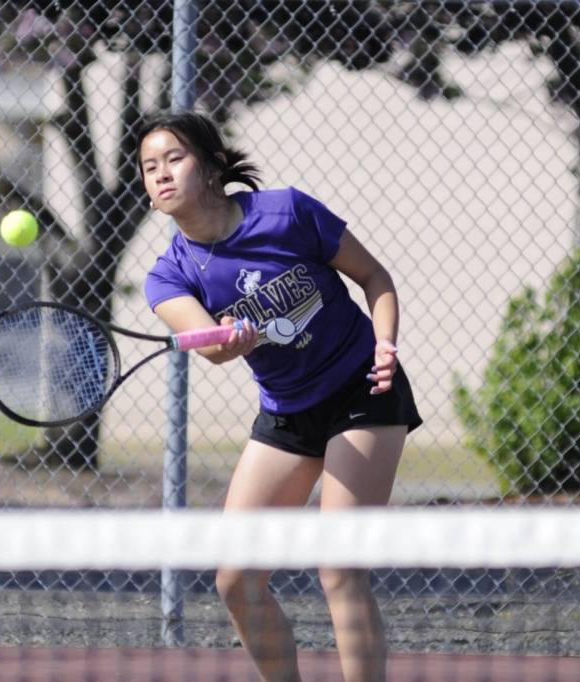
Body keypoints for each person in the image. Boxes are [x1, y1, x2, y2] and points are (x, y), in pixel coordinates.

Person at [137, 111, 422, 682]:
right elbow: (213, 348)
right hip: (287, 412)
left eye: (175, 158)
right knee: (235, 580)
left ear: (214, 166)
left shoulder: (288, 212)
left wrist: (386, 344)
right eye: (149, 167)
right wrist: (231, 340)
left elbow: (376, 278)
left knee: (339, 566)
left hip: (361, 386)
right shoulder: (168, 277)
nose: (162, 174)